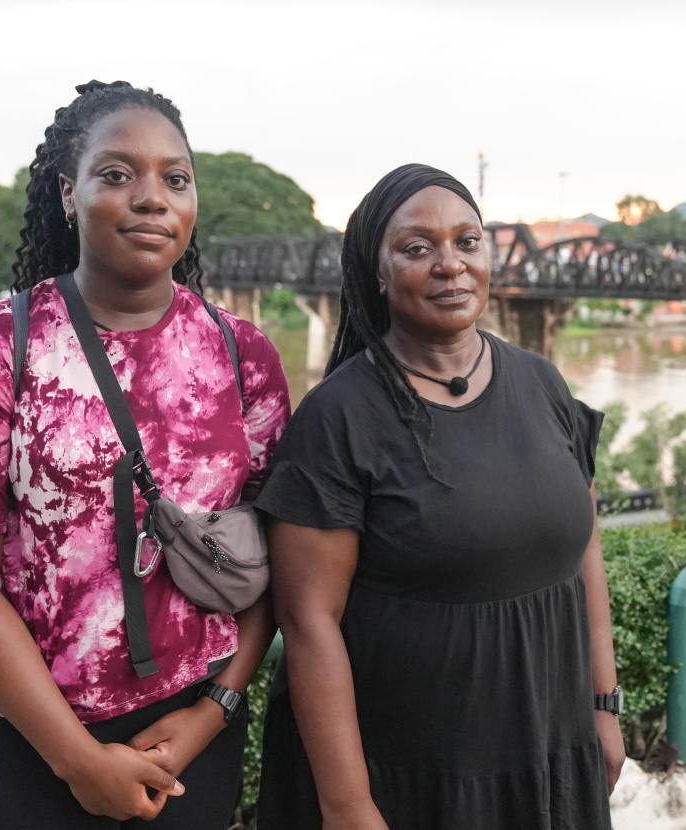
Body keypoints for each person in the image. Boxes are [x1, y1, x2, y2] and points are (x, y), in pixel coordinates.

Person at [0, 81, 290, 828]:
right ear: (67, 194)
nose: (152, 198)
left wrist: (213, 712)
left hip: (192, 734)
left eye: (175, 179)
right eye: (117, 174)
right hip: (20, 747)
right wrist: (78, 762)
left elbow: (278, 555)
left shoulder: (244, 356)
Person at [256, 163, 624, 829]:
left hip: (546, 748)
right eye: (418, 248)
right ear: (378, 272)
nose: (450, 264)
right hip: (408, 777)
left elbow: (584, 546)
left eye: (468, 241)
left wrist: (604, 705)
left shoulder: (542, 385)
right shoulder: (340, 418)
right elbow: (308, 621)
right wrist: (347, 804)